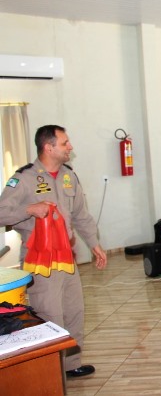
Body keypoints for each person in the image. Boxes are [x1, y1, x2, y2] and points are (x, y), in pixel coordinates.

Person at [0, 125, 108, 378]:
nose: (70, 147)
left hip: (66, 259)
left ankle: (71, 364)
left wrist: (94, 244)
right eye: (65, 143)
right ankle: (51, 372)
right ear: (49, 147)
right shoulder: (24, 178)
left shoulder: (69, 176)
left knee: (74, 311)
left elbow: (81, 215)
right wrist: (29, 209)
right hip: (40, 261)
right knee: (49, 314)